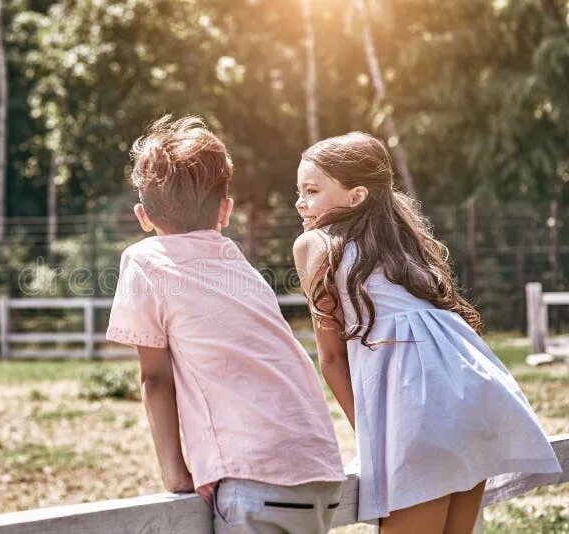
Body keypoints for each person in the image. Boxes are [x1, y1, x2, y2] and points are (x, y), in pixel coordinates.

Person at [292, 132, 561, 533]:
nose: (300, 202)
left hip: (418, 415)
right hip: (474, 397)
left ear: (356, 196)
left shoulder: (314, 244)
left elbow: (332, 359)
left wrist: (372, 441)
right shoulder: (404, 245)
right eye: (299, 191)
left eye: (311, 191)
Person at [106, 115, 346, 533]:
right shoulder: (239, 266)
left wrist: (175, 473)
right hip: (319, 471)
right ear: (226, 209)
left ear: (143, 216)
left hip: (254, 481)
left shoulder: (144, 260)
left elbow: (156, 378)